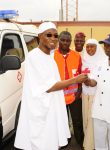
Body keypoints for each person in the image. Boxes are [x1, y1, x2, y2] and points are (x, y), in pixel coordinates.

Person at [14, 22, 88, 150]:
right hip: (41, 111)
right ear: (39, 37)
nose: (53, 38)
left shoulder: (49, 57)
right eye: (49, 35)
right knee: (41, 143)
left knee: (52, 143)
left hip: (51, 109)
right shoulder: (34, 57)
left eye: (55, 35)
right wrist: (75, 80)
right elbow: (49, 86)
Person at [54, 31, 84, 148]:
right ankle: (64, 142)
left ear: (70, 42)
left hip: (74, 96)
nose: (65, 43)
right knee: (61, 121)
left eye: (68, 40)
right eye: (63, 40)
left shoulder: (77, 56)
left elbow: (81, 75)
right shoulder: (52, 56)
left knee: (77, 121)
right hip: (58, 96)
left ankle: (80, 142)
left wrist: (79, 92)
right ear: (59, 40)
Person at [82, 39, 106, 150]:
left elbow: (96, 80)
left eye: (92, 46)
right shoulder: (83, 58)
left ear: (97, 48)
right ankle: (87, 142)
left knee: (92, 120)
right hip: (84, 94)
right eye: (87, 46)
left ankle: (89, 145)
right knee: (85, 119)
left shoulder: (103, 60)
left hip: (96, 95)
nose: (89, 49)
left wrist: (88, 81)